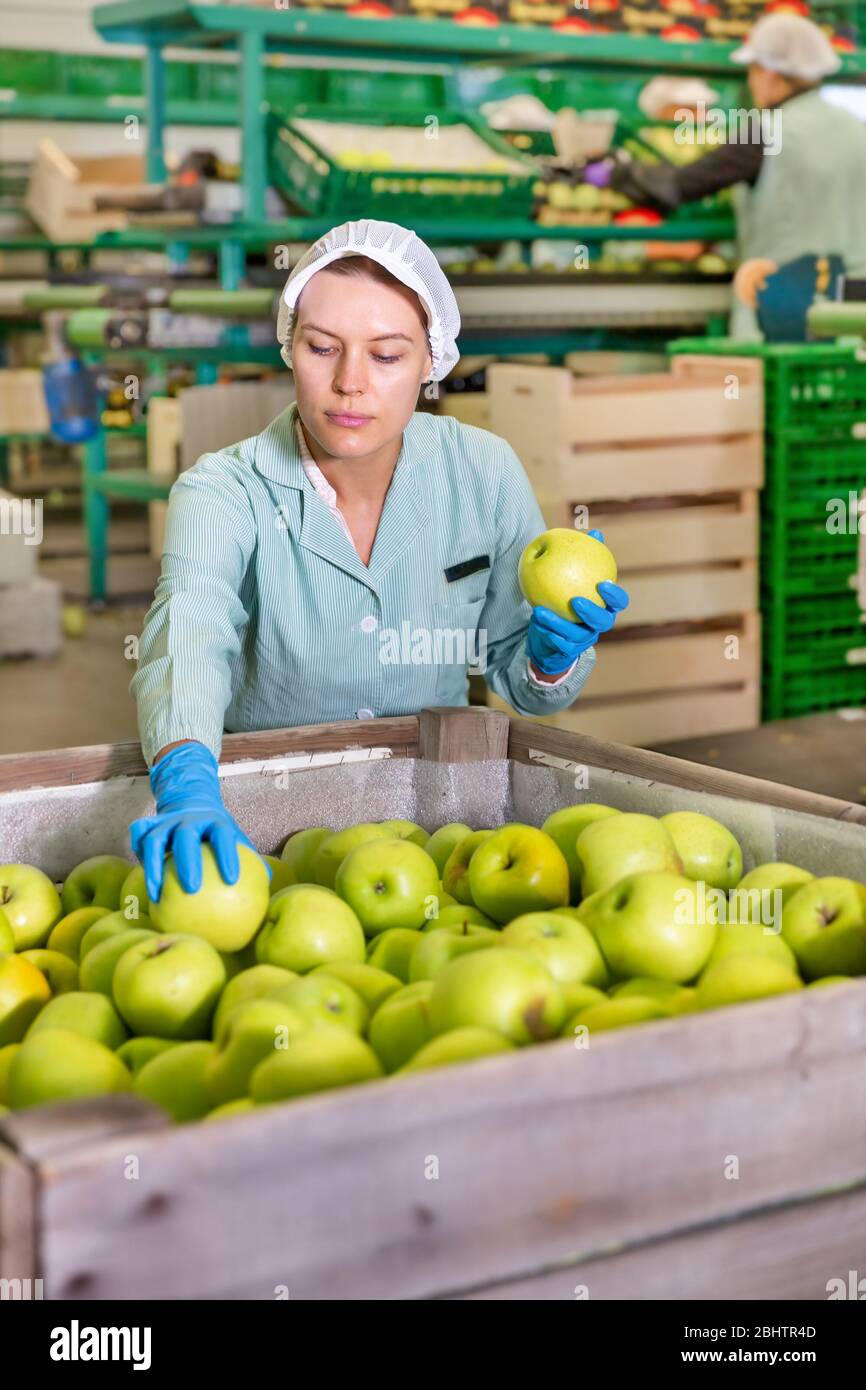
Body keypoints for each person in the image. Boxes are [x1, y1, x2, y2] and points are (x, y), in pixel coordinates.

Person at [129, 220, 629, 900]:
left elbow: (517, 675)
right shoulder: (224, 488)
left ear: (432, 362)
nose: (349, 384)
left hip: (441, 841)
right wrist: (186, 774)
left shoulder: (482, 472)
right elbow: (191, 619)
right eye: (321, 347)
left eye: (387, 356)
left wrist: (549, 657)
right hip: (264, 841)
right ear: (289, 347)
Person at [585, 14, 866, 337]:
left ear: (770, 73)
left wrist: (613, 174)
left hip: (783, 305)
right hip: (853, 309)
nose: (751, 82)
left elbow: (678, 185)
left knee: (771, 383)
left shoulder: (765, 132)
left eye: (752, 71)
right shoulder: (857, 129)